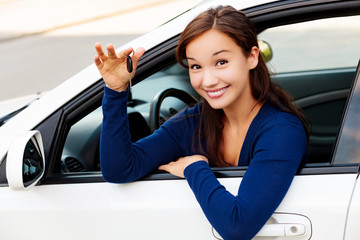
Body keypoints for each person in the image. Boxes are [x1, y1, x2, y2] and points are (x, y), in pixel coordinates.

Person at [94, 5, 308, 240]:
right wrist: (116, 91)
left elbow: (238, 227)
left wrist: (194, 168)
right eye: (196, 66)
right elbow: (120, 169)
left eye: (221, 62)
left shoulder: (282, 131)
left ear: (252, 57)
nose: (208, 80)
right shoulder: (191, 123)